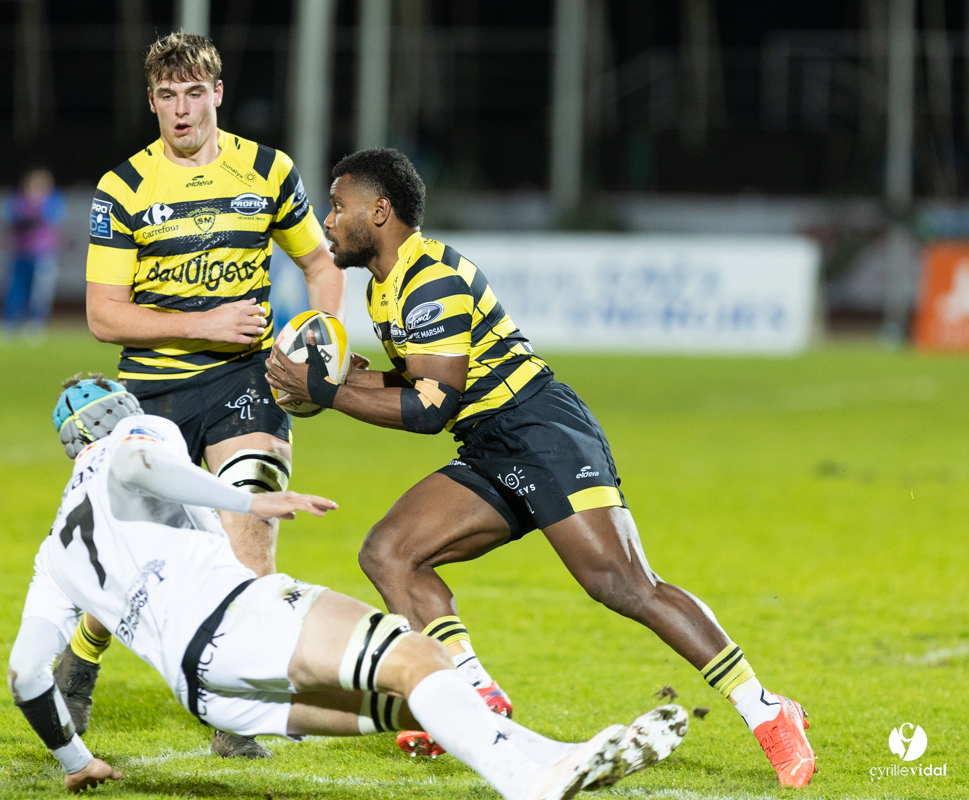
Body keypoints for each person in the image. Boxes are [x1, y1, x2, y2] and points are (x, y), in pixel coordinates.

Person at [264, 148, 817, 788]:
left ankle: (768, 709)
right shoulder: (385, 284)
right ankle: (471, 694)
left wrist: (327, 390)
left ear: (380, 212)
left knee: (623, 584)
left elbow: (430, 406)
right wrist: (360, 378)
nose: (328, 220)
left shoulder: (430, 277)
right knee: (391, 552)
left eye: (339, 206)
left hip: (542, 431)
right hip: (492, 440)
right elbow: (431, 377)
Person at [6, 374, 689, 798]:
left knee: (415, 704)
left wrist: (77, 760)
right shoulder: (136, 430)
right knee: (424, 657)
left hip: (204, 693)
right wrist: (247, 502)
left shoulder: (52, 552)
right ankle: (531, 782)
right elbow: (139, 461)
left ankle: (562, 760)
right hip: (235, 620)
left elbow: (25, 672)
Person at [79, 31, 350, 757]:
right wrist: (206, 322)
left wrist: (319, 332)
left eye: (194, 93)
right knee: (136, 561)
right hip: (152, 395)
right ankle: (82, 650)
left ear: (217, 95)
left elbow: (321, 266)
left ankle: (236, 713)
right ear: (152, 101)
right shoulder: (124, 188)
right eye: (166, 96)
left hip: (245, 386)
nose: (181, 109)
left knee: (250, 540)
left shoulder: (267, 170)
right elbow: (104, 314)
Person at [0, 167, 66, 341]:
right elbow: (10, 218)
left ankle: (36, 324)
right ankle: (9, 323)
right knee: (16, 289)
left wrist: (32, 213)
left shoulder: (53, 200)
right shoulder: (19, 200)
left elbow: (49, 218)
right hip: (21, 253)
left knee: (39, 293)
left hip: (43, 254)